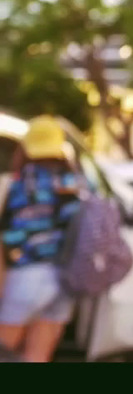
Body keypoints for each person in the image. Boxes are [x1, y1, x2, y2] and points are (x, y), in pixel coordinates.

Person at [0, 116, 87, 363]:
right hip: (66, 279)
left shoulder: (19, 184)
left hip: (26, 276)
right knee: (37, 357)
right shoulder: (78, 182)